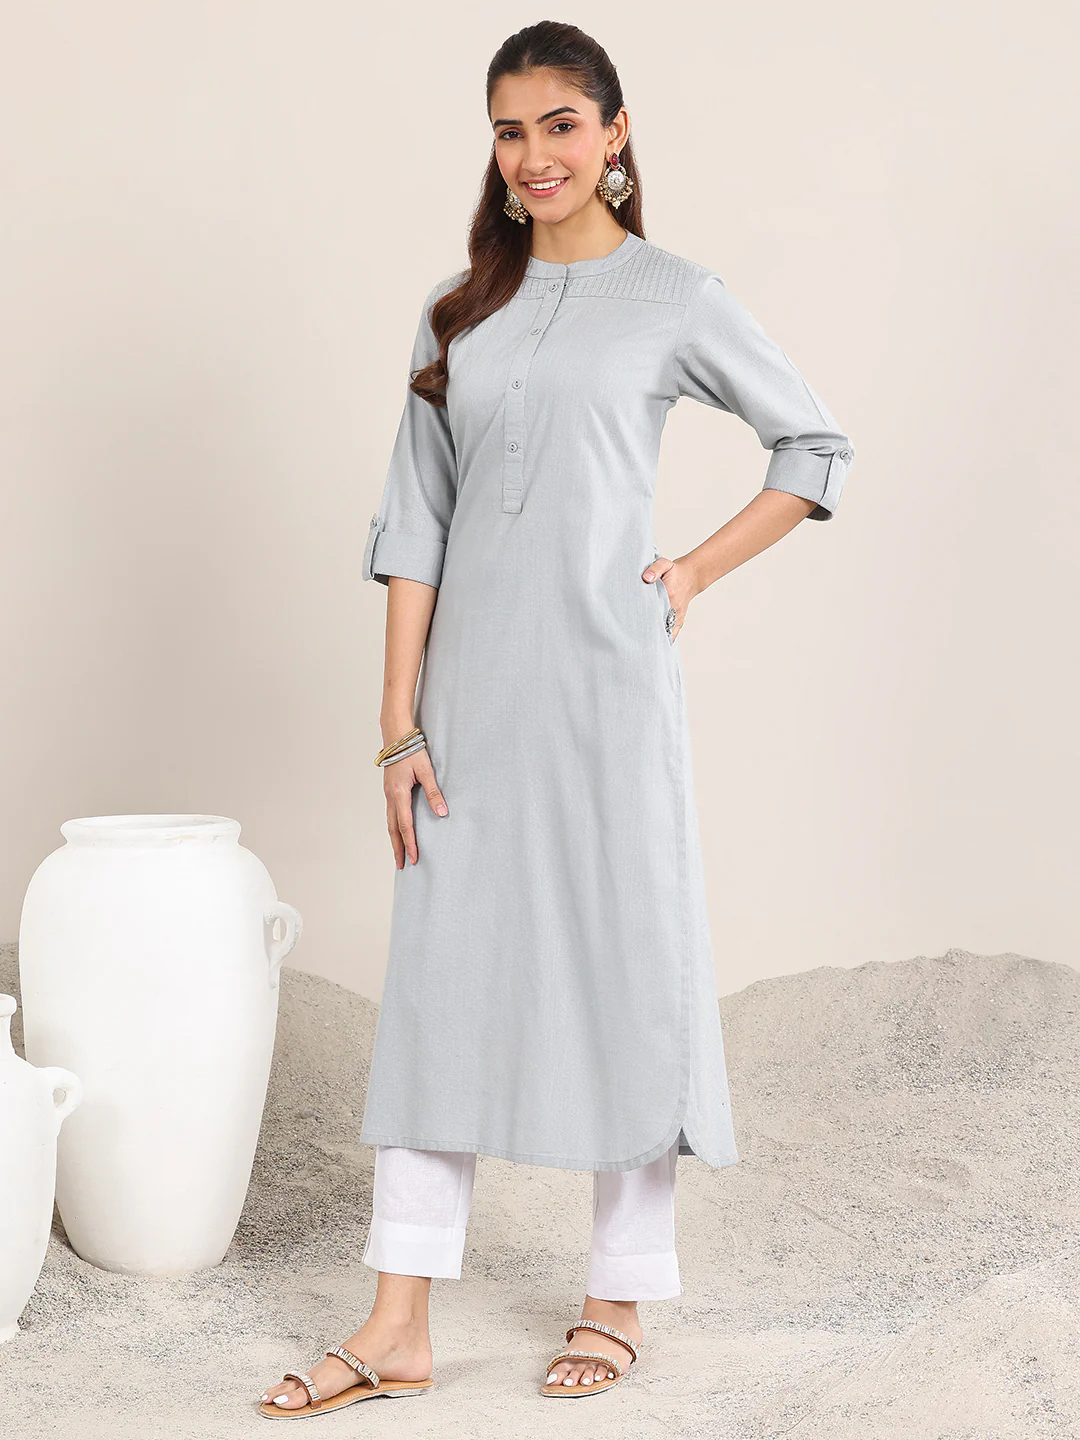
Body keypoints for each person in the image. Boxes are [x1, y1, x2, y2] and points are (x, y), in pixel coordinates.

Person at [258, 19, 855, 1418]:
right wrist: (398, 722)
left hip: (605, 692)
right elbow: (416, 521)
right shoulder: (457, 308)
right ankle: (398, 1321)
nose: (536, 156)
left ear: (616, 131)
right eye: (511, 132)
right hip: (467, 701)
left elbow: (812, 445)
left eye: (562, 125)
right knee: (439, 980)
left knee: (622, 962)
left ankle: (618, 1295)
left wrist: (690, 570)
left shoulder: (675, 297)